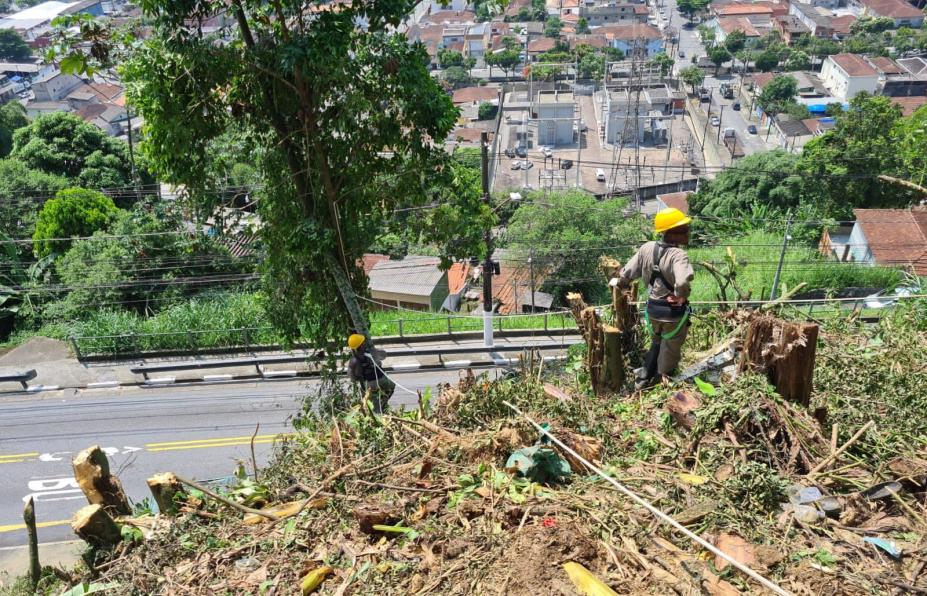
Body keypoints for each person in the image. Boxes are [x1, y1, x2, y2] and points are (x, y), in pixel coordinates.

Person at [614, 208, 695, 388]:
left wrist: (621, 284)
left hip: (652, 311)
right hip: (671, 314)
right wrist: (681, 297)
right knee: (670, 350)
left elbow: (626, 273)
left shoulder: (647, 248)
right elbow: (682, 282)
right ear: (674, 233)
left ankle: (644, 377)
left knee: (657, 341)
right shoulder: (678, 255)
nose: (688, 233)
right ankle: (660, 383)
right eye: (685, 229)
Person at [347, 333, 395, 414]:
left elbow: (352, 376)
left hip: (369, 383)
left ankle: (381, 405)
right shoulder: (370, 352)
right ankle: (382, 404)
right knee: (391, 387)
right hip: (380, 379)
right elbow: (383, 356)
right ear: (361, 345)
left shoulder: (353, 360)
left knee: (375, 404)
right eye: (363, 342)